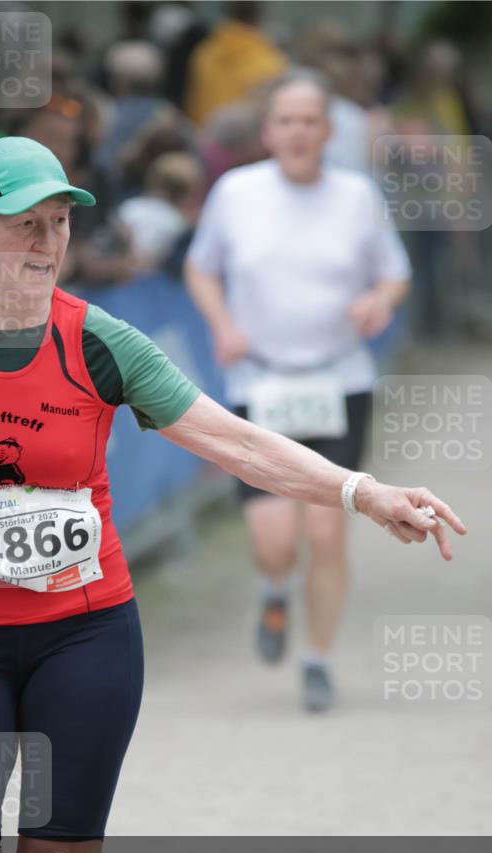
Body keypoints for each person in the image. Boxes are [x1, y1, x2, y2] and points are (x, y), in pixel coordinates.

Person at [0, 135, 464, 853]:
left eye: (58, 224)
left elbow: (233, 441)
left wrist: (360, 490)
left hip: (81, 642)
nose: (47, 243)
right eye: (25, 225)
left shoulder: (100, 342)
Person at [185, 71, 413, 710]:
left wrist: (378, 301)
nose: (298, 132)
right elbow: (200, 268)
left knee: (326, 532)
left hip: (338, 381)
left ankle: (317, 659)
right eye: (286, 121)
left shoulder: (357, 196)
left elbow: (395, 275)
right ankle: (273, 591)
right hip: (261, 382)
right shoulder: (236, 193)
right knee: (274, 540)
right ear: (268, 131)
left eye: (310, 121)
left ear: (328, 130)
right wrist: (223, 324)